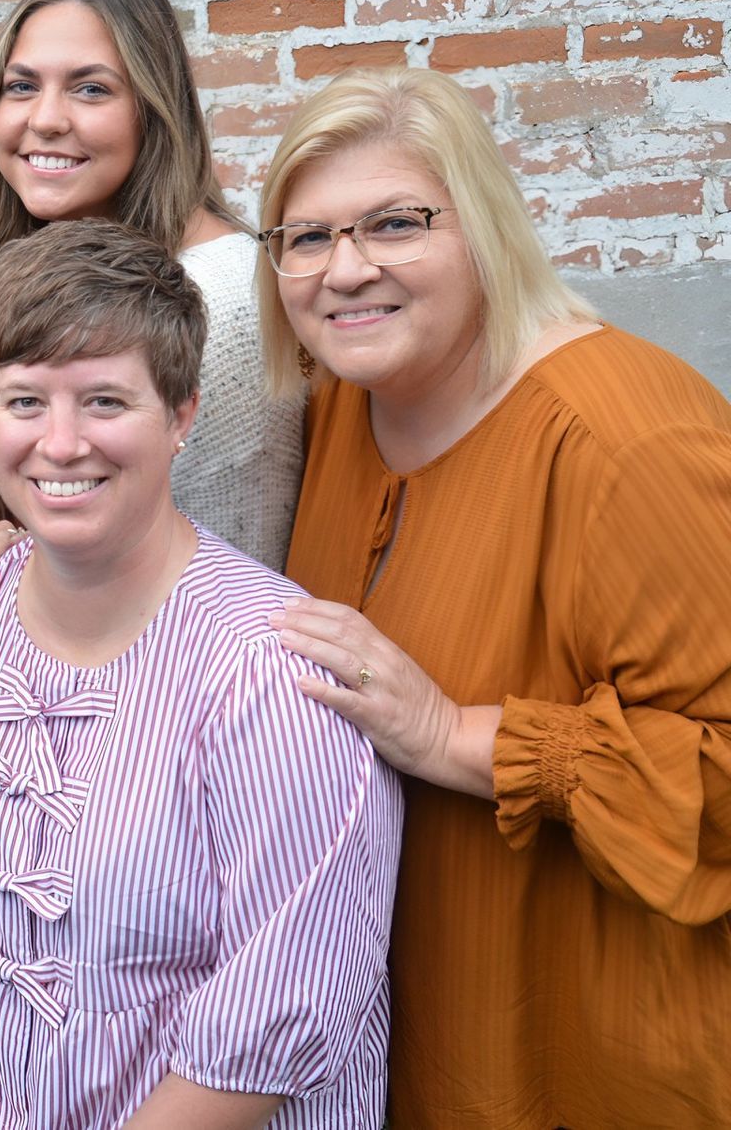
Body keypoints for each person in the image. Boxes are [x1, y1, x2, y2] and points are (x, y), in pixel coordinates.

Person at [0, 220, 401, 1130]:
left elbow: (281, 1014)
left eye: (104, 401)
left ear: (181, 415)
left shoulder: (270, 677)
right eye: (26, 402)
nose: (60, 445)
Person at [260, 67, 731, 1128]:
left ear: (482, 225)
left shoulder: (628, 443)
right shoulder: (345, 406)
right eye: (306, 237)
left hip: (593, 1055)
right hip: (414, 1040)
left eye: (394, 223)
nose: (347, 269)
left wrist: (455, 733)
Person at [0, 0, 301, 577]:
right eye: (22, 86)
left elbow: (225, 559)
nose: (46, 118)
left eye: (91, 90)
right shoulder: (31, 273)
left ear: (153, 110)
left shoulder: (222, 298)